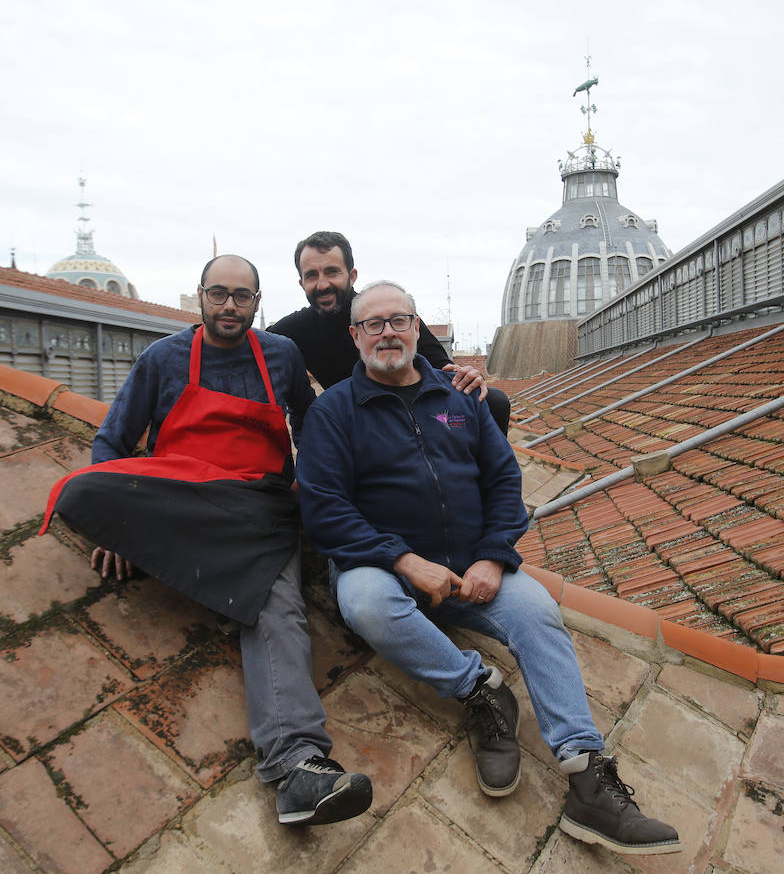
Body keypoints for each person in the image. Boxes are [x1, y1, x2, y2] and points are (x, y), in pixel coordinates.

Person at [295, 280, 681, 856]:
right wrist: (403, 560)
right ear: (354, 337)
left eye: (399, 320)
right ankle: (480, 691)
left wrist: (493, 556)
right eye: (372, 324)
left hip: (473, 565)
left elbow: (504, 481)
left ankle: (587, 776)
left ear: (416, 327)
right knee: (367, 604)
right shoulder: (333, 412)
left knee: (539, 614)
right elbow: (323, 506)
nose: (387, 333)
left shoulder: (459, 399)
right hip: (383, 564)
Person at [41, 254, 372, 827]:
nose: (229, 306)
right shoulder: (163, 358)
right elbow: (112, 442)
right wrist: (121, 528)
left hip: (258, 510)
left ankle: (296, 768)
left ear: (257, 302)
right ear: (200, 295)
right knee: (78, 492)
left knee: (281, 612)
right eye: (219, 294)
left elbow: (311, 424)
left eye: (242, 297)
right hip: (183, 503)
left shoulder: (280, 355)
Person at [267, 231, 511, 435]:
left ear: (352, 276)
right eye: (312, 275)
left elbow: (444, 371)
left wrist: (467, 376)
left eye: (332, 272)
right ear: (301, 283)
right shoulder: (293, 330)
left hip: (414, 413)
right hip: (355, 422)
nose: (322, 284)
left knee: (493, 402)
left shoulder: (389, 313)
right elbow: (252, 344)